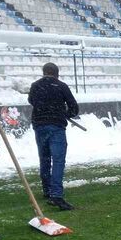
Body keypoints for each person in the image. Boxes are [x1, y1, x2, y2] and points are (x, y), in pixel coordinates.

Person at [28, 62, 79, 211]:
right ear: (57, 74)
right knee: (58, 160)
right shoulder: (61, 86)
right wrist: (65, 113)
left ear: (44, 72)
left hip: (39, 126)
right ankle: (56, 194)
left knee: (44, 159)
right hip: (56, 126)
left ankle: (47, 190)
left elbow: (31, 101)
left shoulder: (35, 85)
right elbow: (74, 108)